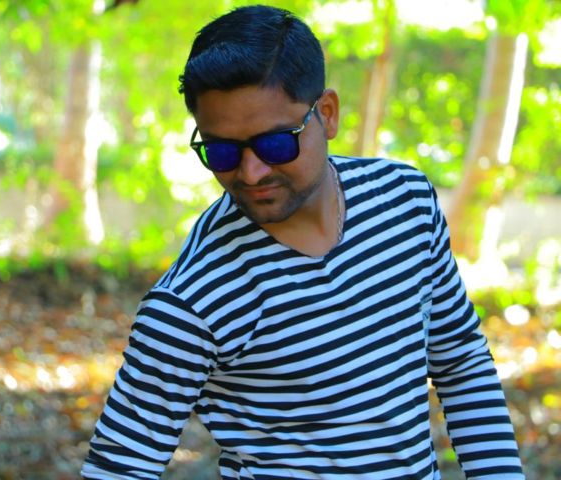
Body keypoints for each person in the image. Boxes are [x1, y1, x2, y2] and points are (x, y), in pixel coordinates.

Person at [82, 5, 524, 479]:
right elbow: (118, 467)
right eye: (222, 152)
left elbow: (460, 362)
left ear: (327, 114)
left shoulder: (406, 204)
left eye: (275, 144)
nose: (252, 173)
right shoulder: (193, 299)